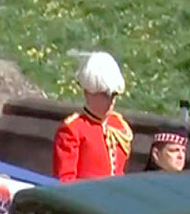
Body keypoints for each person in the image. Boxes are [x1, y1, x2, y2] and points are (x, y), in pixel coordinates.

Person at [52, 51, 132, 182]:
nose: (111, 101)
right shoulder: (73, 129)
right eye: (105, 95)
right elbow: (66, 179)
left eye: (114, 95)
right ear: (89, 92)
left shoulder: (118, 125)